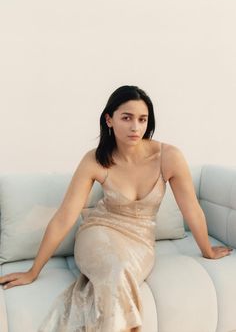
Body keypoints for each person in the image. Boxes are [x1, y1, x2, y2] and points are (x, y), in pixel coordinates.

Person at [0, 85, 233, 332]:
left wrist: (206, 250)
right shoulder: (96, 159)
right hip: (97, 233)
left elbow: (192, 209)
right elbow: (65, 216)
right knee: (115, 271)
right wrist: (33, 271)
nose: (135, 127)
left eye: (142, 119)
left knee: (118, 274)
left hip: (139, 242)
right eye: (127, 118)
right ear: (109, 120)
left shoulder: (168, 156)